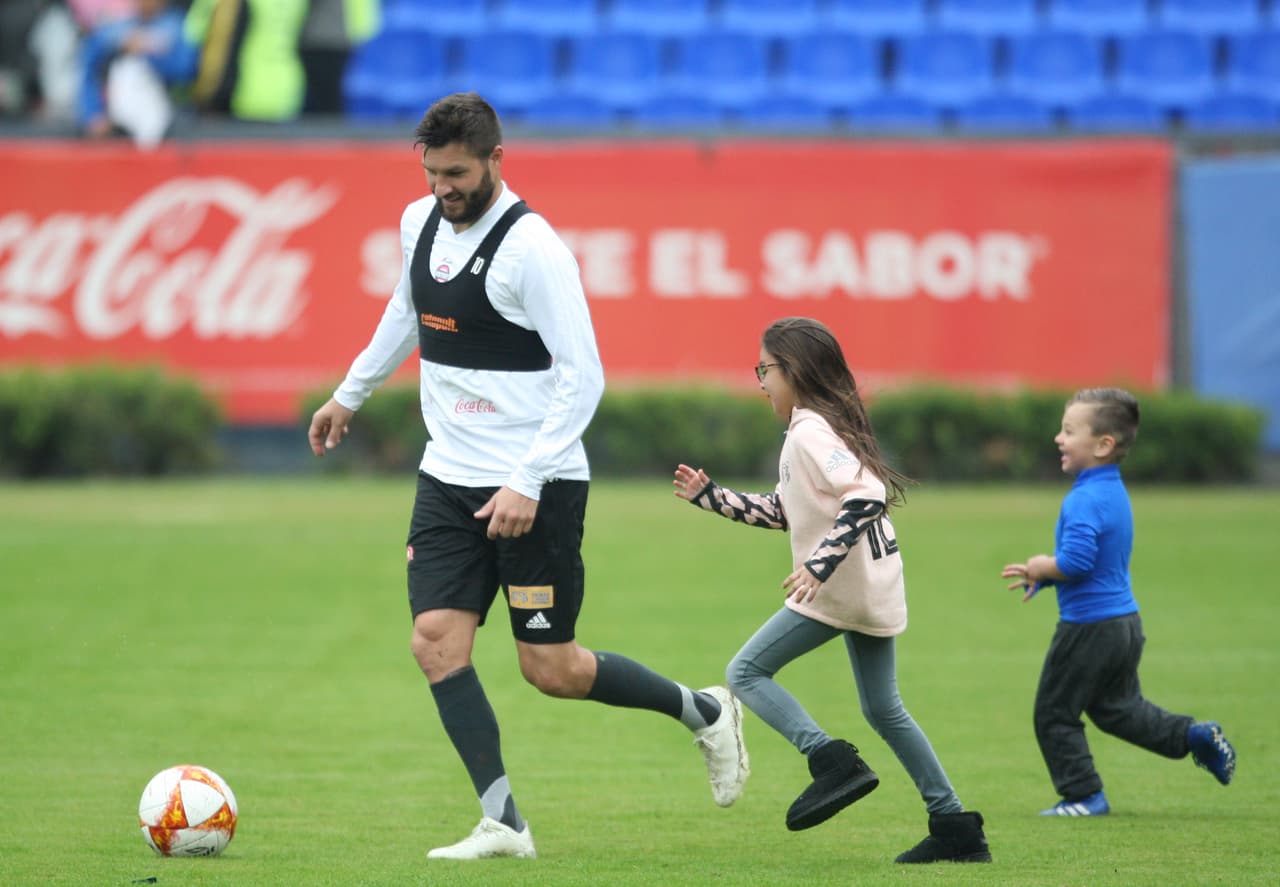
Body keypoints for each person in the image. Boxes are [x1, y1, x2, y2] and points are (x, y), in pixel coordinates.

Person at [307, 92, 749, 861]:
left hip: (534, 486)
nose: (443, 189)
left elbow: (585, 377)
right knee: (436, 641)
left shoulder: (533, 250)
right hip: (447, 477)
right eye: (432, 173)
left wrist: (528, 478)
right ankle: (504, 822)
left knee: (553, 668)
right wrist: (350, 392)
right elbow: (405, 314)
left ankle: (705, 709)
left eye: (456, 173)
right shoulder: (419, 224)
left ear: (495, 160)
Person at [673, 317, 991, 864]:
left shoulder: (810, 431)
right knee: (885, 709)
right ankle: (955, 825)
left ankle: (830, 759)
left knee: (745, 673)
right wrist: (714, 498)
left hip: (844, 588)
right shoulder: (815, 429)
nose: (761, 381)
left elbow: (866, 495)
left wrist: (818, 567)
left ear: (792, 371)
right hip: (873, 585)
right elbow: (784, 510)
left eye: (765, 369)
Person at [1001, 387, 1237, 816]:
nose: (1059, 437)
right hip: (1123, 624)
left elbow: (1075, 561)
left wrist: (1041, 566)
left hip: (1088, 628)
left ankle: (1083, 795)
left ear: (1104, 444)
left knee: (1054, 714)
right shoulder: (1112, 491)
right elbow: (1100, 562)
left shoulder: (1084, 498)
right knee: (1118, 710)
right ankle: (1193, 736)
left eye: (1070, 430)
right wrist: (1051, 580)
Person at [76, 0, 197, 146]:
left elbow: (186, 71)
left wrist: (148, 51)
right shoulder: (115, 29)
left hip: (168, 122)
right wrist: (93, 113)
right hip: (117, 127)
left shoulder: (177, 27)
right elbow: (88, 72)